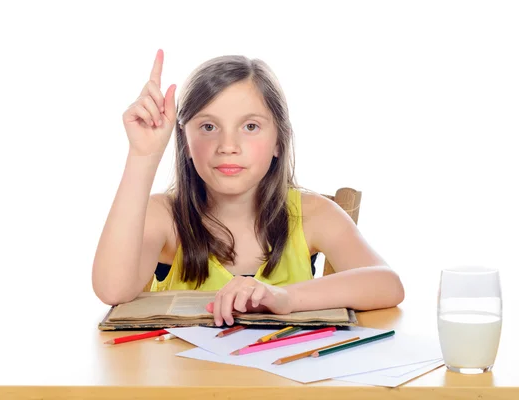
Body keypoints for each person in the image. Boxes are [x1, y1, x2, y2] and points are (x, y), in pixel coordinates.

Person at [92, 49, 404, 326]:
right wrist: (143, 156)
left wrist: (286, 297)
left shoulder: (313, 213)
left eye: (250, 126)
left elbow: (388, 284)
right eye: (208, 126)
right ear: (185, 142)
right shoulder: (164, 215)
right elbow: (111, 289)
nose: (228, 146)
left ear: (279, 141)